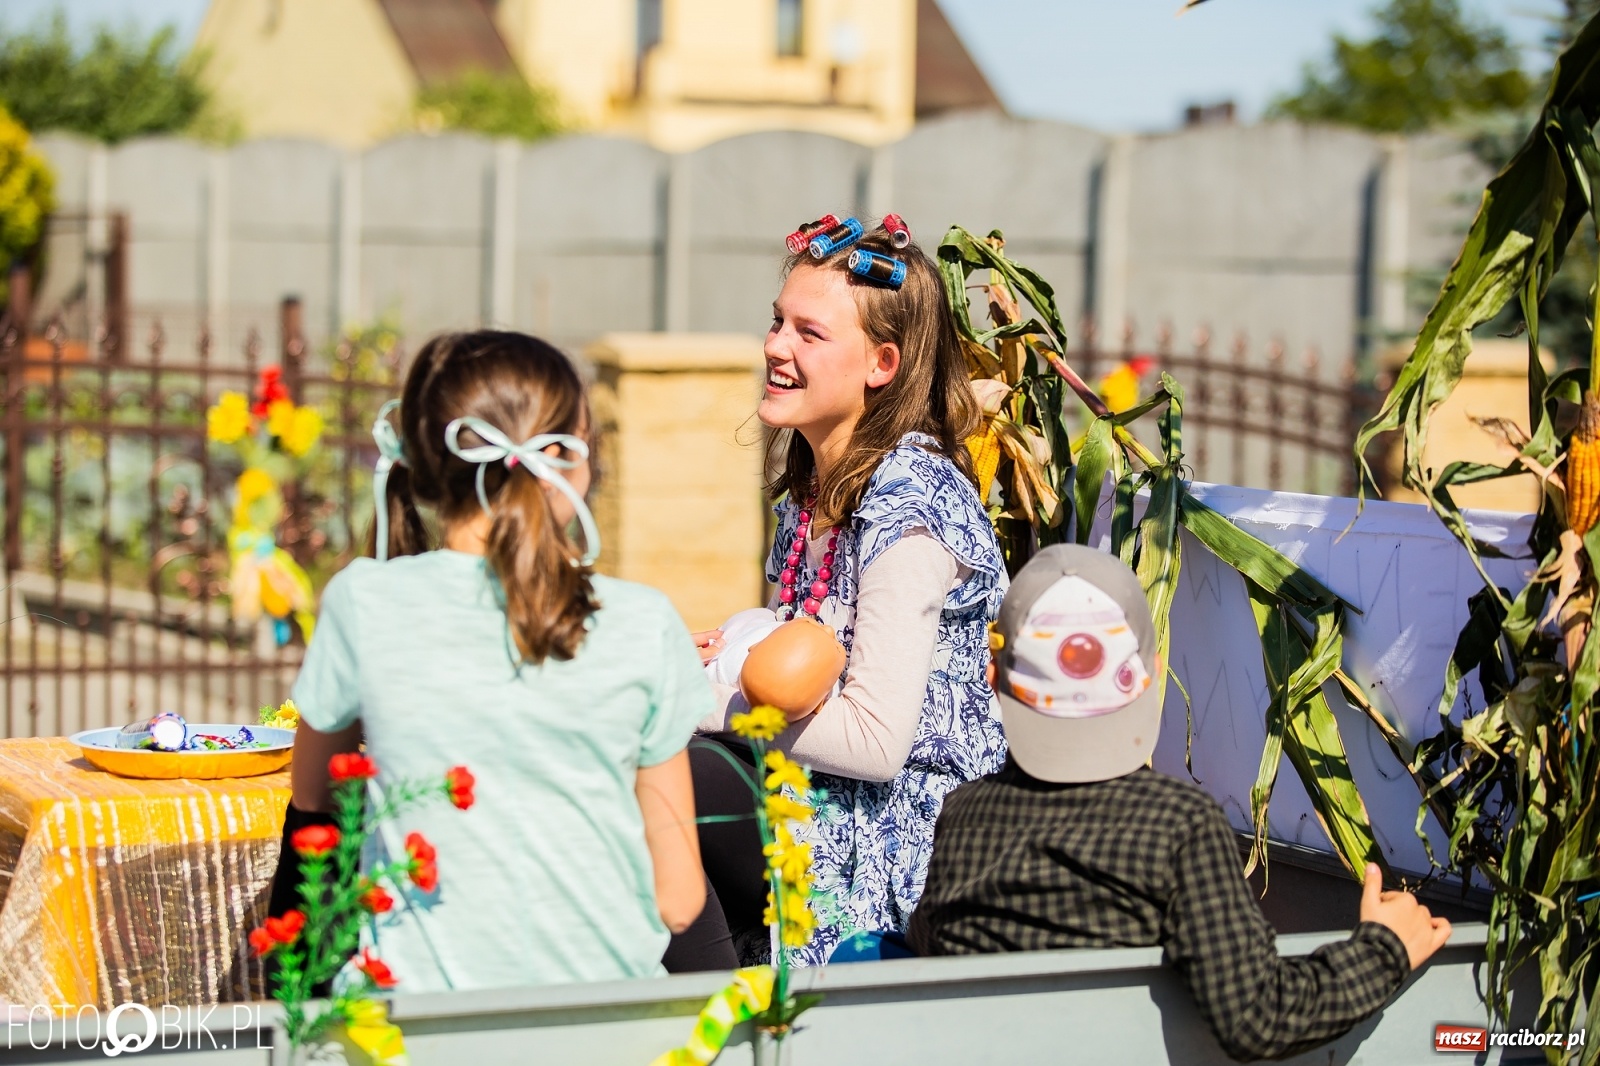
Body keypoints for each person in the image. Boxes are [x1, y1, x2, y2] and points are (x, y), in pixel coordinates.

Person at [907, 544, 1453, 1062]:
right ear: (1148, 675)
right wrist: (1383, 950)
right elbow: (1257, 1016)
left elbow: (929, 949)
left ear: (994, 679)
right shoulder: (1176, 826)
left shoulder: (963, 815)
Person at [283, 330, 710, 992]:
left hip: (408, 1022)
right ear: (564, 462)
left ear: (426, 461)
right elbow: (678, 899)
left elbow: (313, 792)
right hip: (602, 1013)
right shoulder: (644, 621)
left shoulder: (362, 601)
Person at [681, 219, 1009, 967]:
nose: (776, 347)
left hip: (886, 845)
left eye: (810, 333)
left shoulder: (912, 506)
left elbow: (874, 743)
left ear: (881, 363)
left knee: (676, 781)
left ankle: (731, 1016)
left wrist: (697, 696)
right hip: (805, 799)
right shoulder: (810, 493)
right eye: (777, 322)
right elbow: (790, 669)